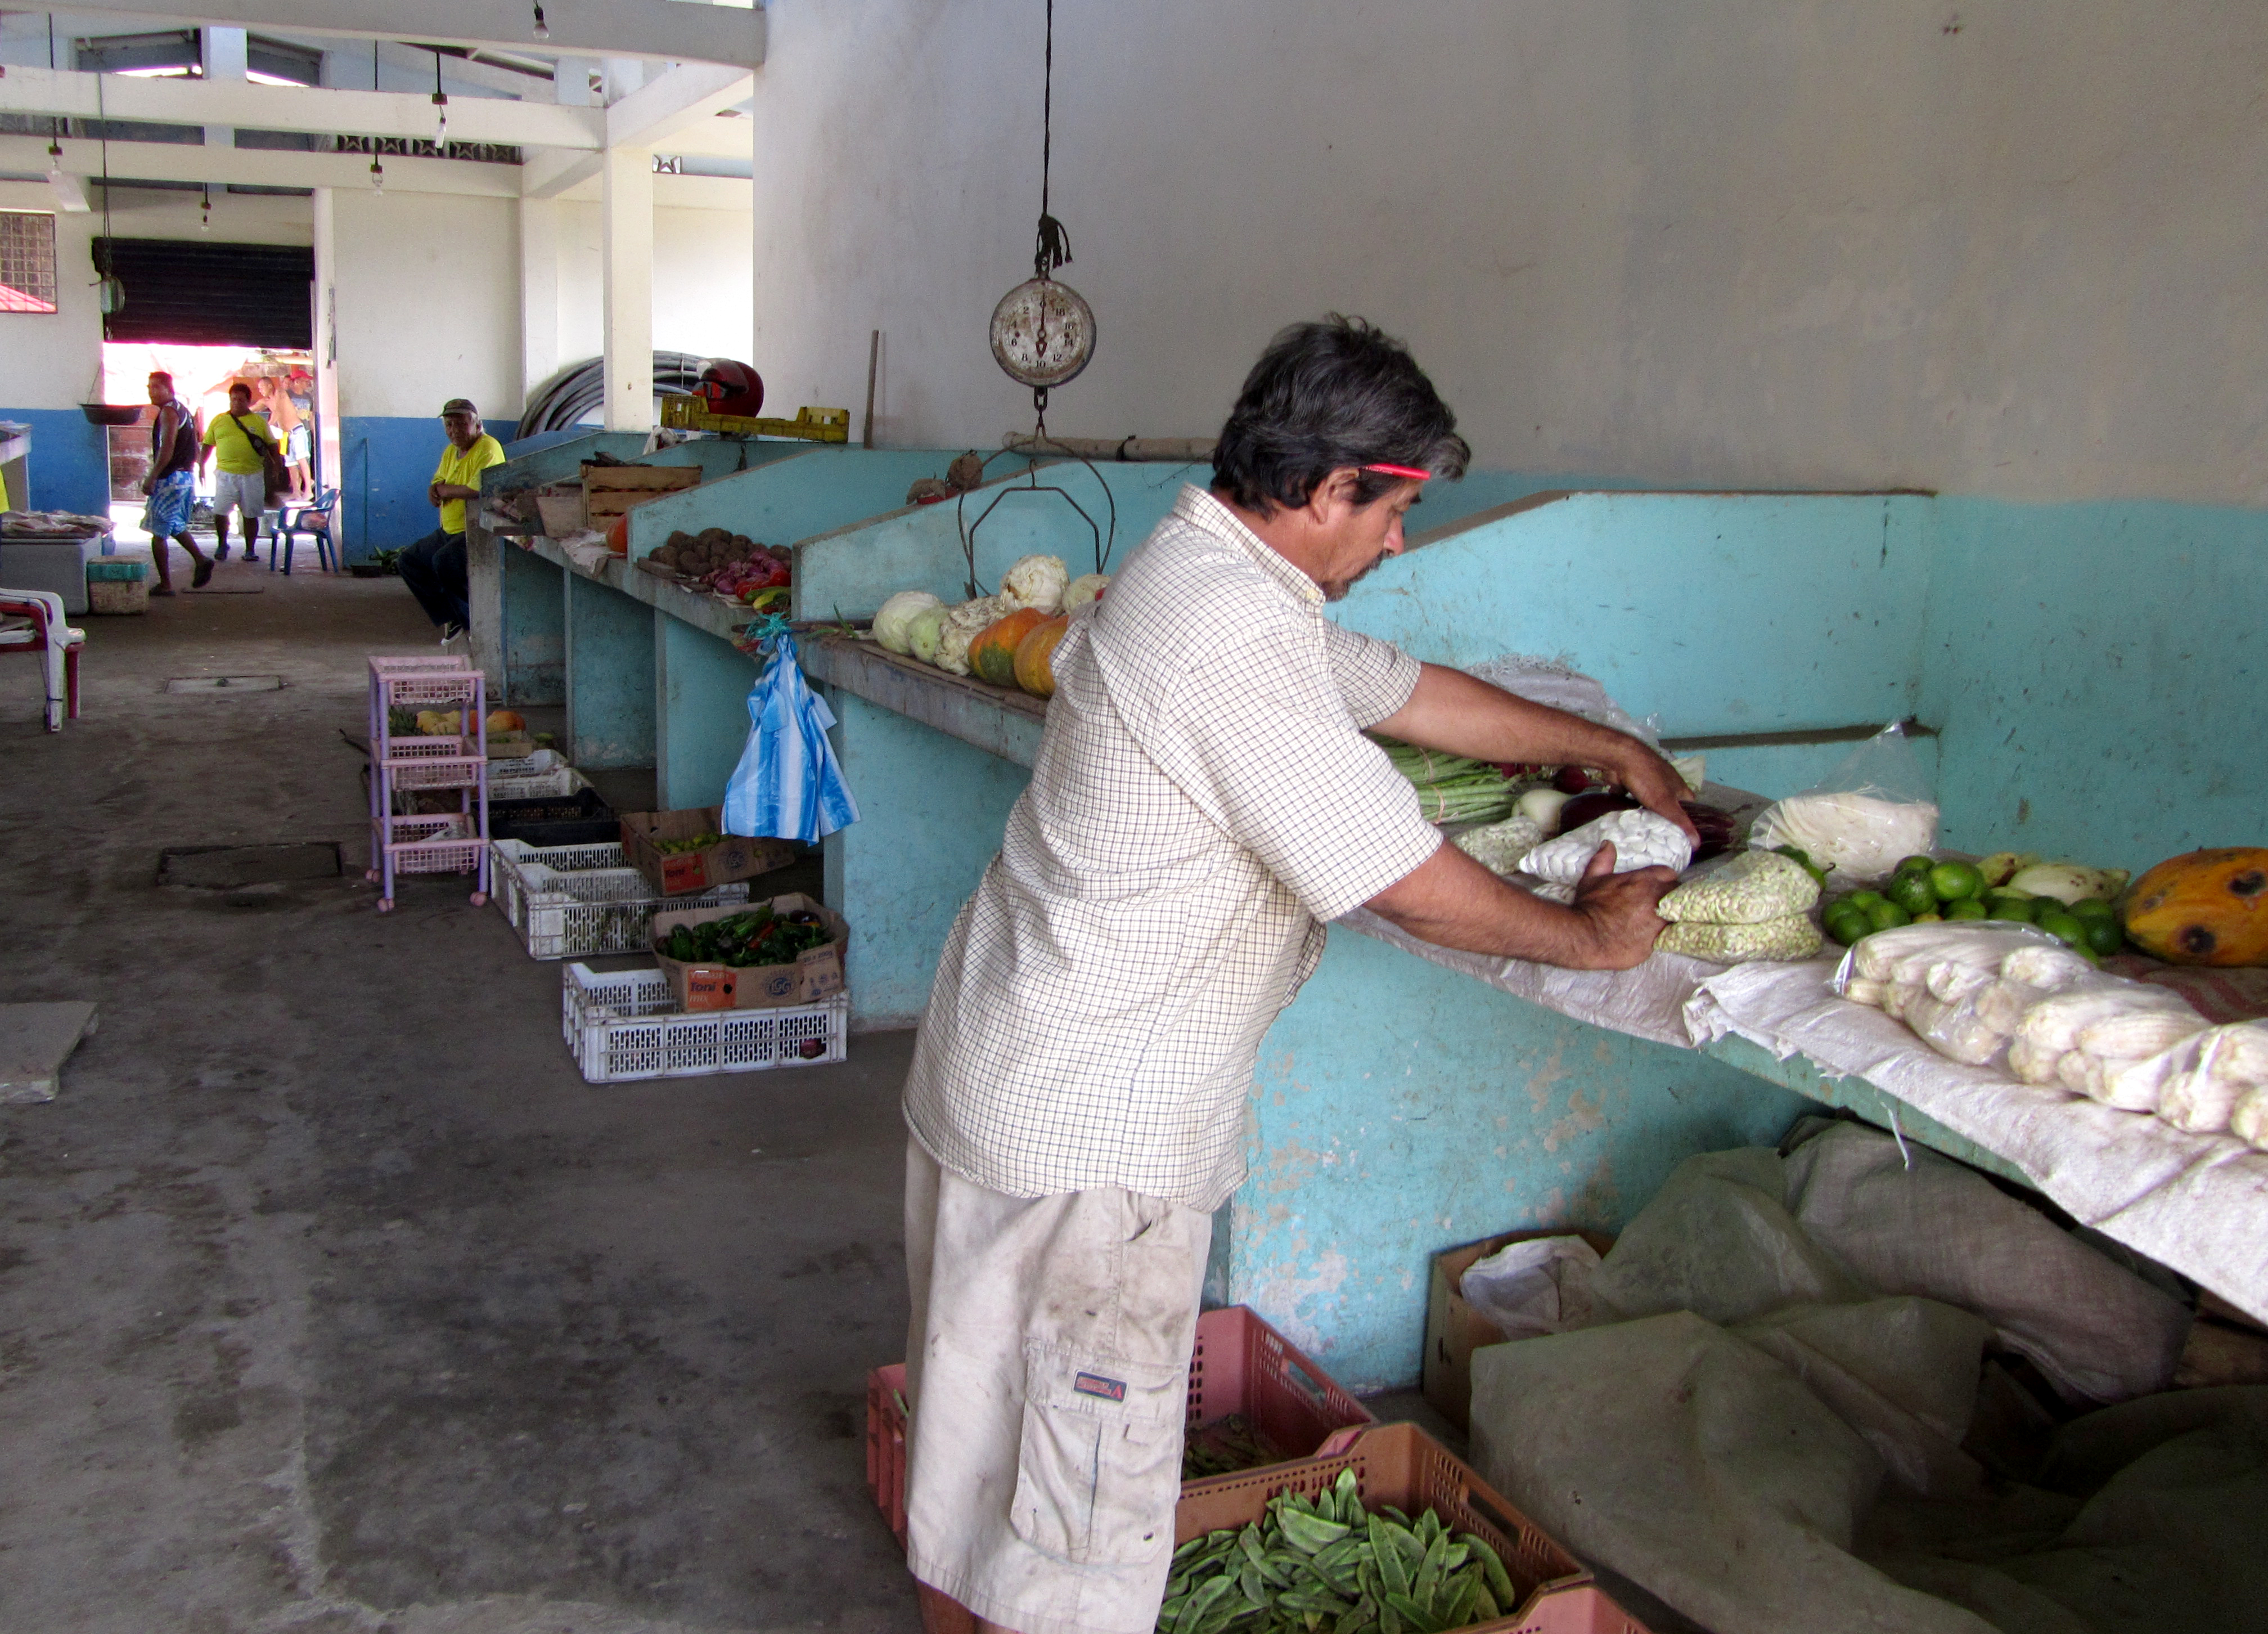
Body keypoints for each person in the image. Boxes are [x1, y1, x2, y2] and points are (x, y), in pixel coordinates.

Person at [897, 316, 1697, 1634]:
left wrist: (1609, 748)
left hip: (1010, 1073)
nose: (1399, 545)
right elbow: (1406, 880)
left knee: (980, 1454)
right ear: (1329, 488)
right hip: (1096, 1140)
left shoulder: (1205, 574)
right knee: (1073, 1523)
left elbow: (1404, 690)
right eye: (1394, 513)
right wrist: (1594, 941)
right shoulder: (1228, 638)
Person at [399, 398, 506, 641]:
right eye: (449, 425)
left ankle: (471, 623)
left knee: (445, 562)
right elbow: (439, 480)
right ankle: (452, 617)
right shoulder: (451, 451)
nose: (454, 430)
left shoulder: (488, 448)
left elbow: (477, 490)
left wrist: (445, 490)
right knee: (409, 561)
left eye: (461, 424)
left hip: (477, 529)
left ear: (477, 425)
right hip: (449, 529)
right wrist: (434, 489)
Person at [141, 371, 211, 593]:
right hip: (184, 477)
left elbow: (167, 446)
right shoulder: (183, 411)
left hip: (171, 478)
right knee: (175, 526)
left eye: (155, 387)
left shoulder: (169, 412)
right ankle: (201, 559)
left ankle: (166, 584)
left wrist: (153, 475)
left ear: (168, 389)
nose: (151, 392)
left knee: (158, 533)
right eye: (149, 387)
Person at [200, 380, 280, 564]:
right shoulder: (219, 421)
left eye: (241, 400)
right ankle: (222, 544)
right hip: (225, 475)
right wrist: (201, 466)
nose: (236, 403)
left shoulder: (258, 422)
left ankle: (250, 549)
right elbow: (207, 445)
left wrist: (277, 465)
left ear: (248, 401)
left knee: (251, 513)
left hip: (252, 475)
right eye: (233, 400)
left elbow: (272, 445)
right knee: (221, 511)